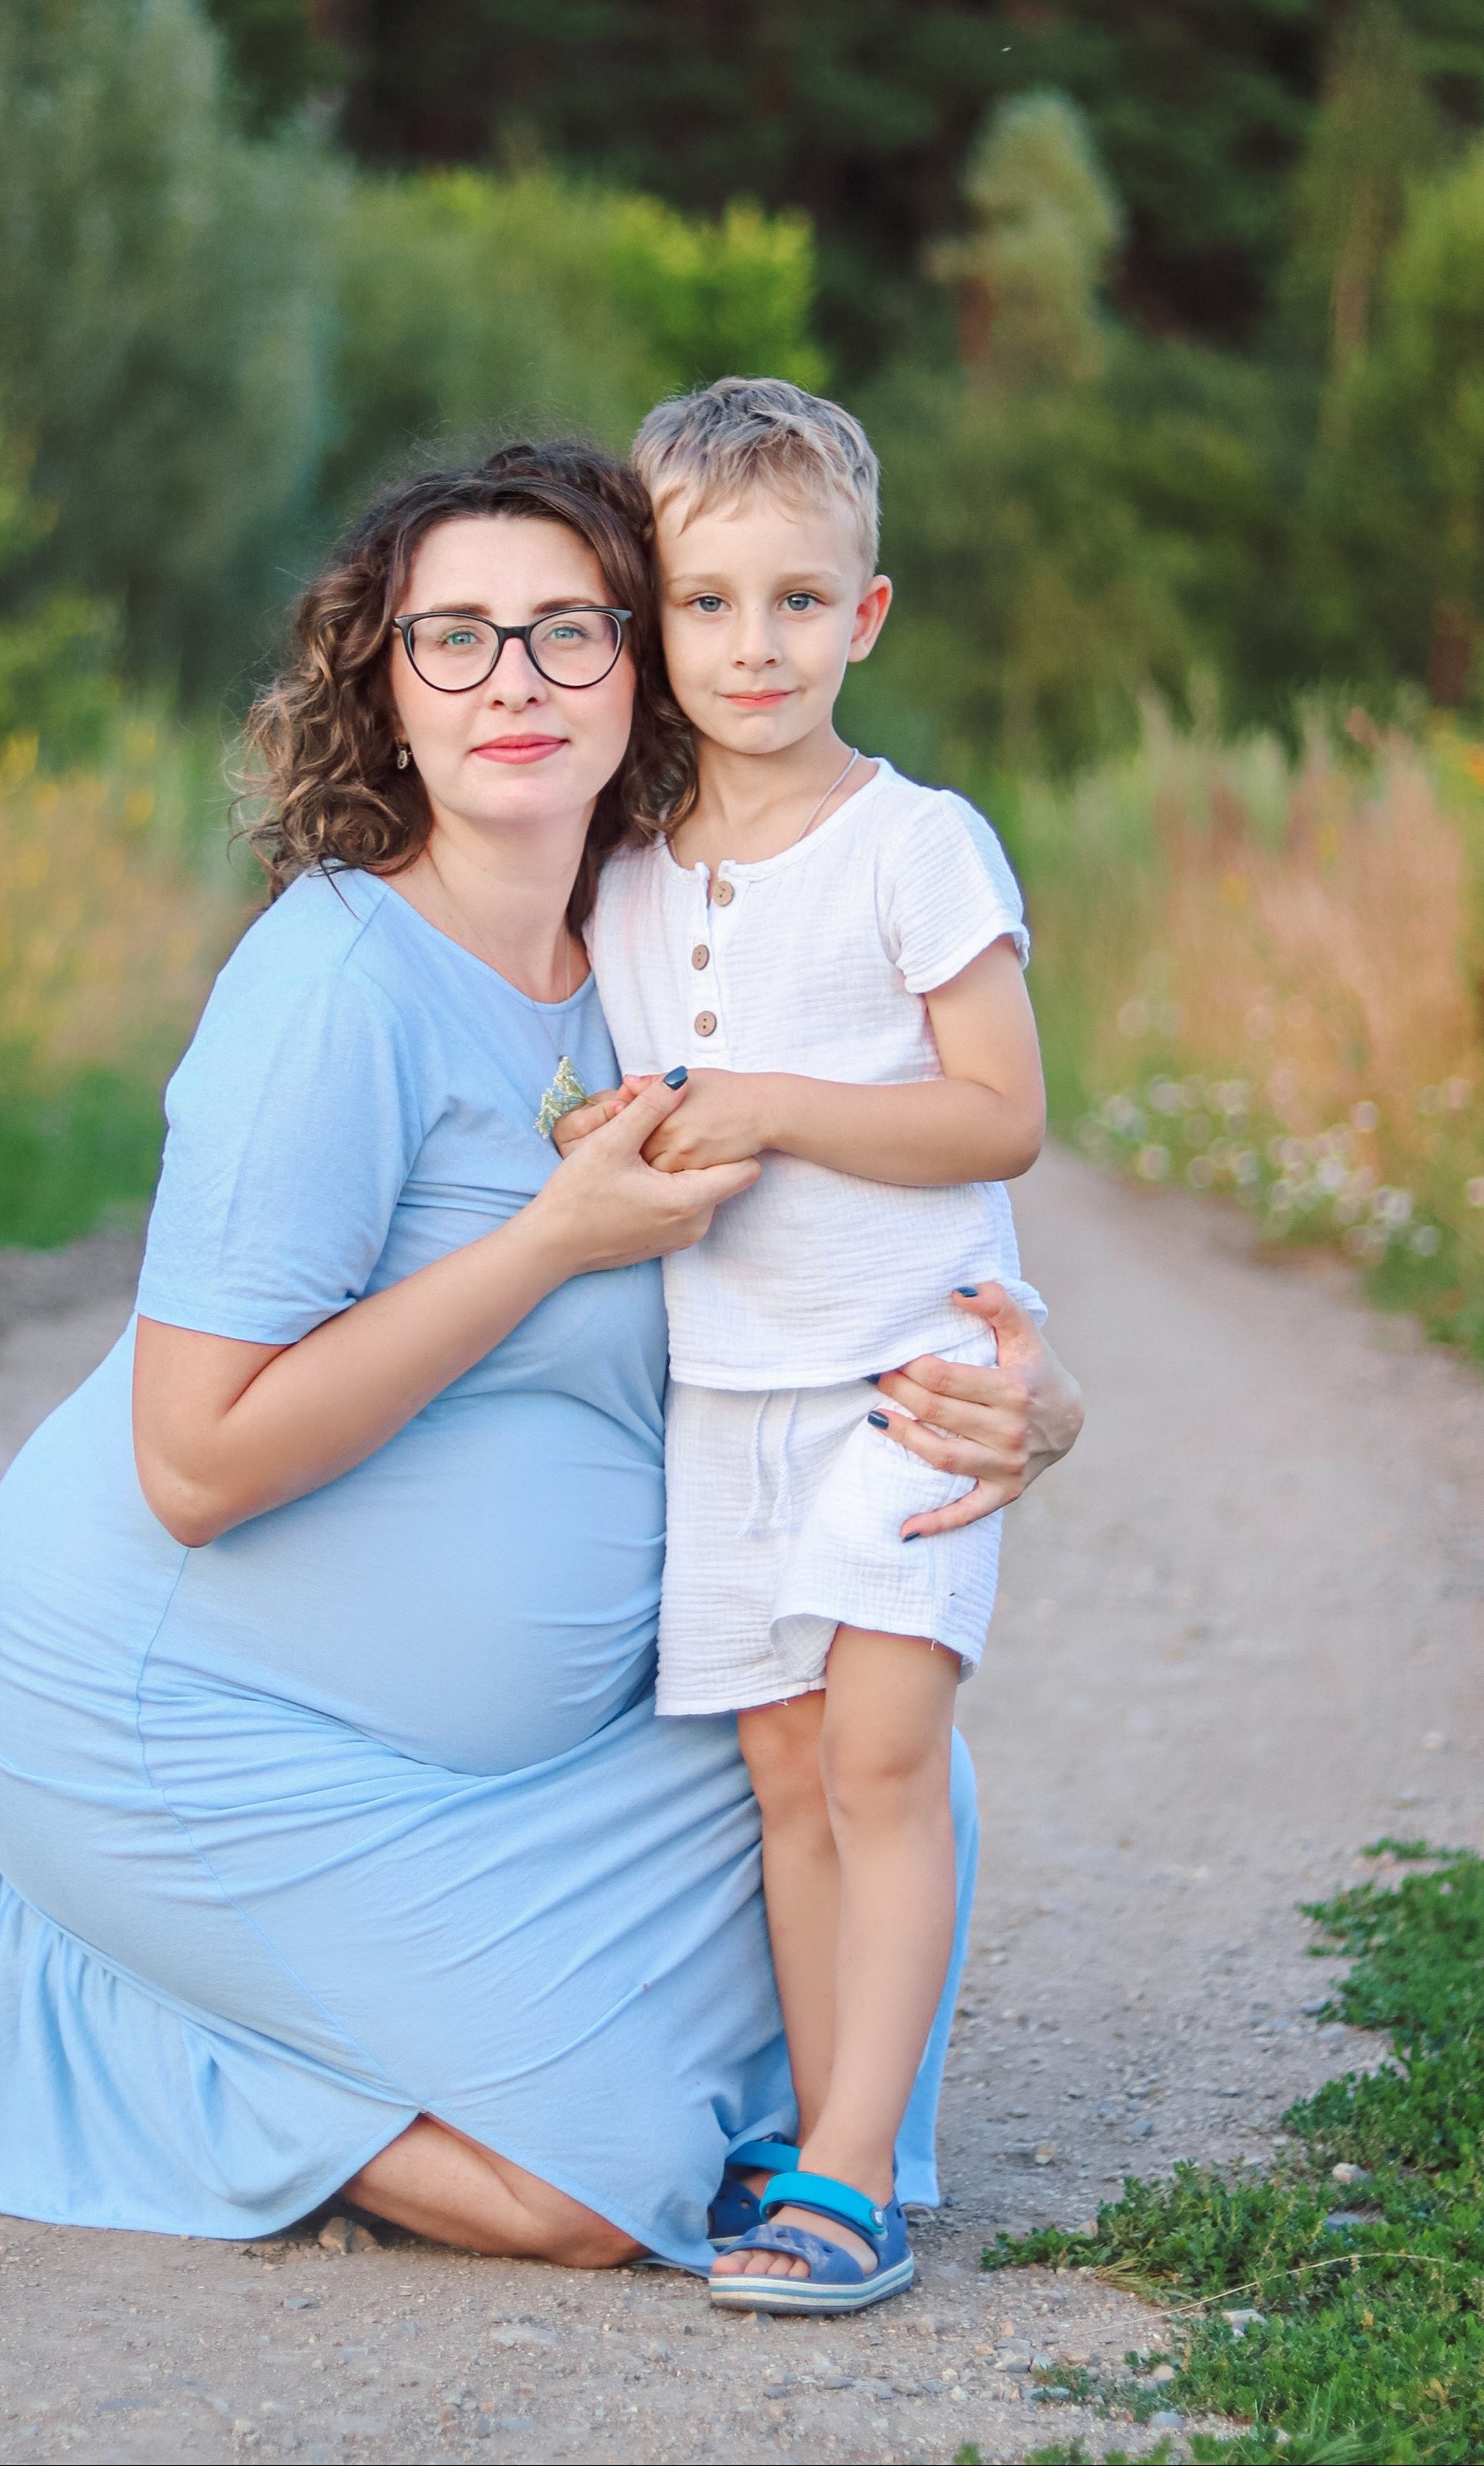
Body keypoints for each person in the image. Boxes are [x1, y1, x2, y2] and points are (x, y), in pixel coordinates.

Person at [0, 445, 1083, 2270]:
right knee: (595, 2194)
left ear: (642, 665)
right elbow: (192, 1465)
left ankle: (546, 2048)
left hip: (514, 1755)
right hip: (184, 1716)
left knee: (887, 1760)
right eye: (454, 637)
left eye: (565, 630)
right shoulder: (331, 988)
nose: (513, 680)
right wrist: (546, 1240)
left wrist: (1028, 1391)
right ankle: (2, 1963)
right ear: (387, 687)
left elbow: (867, 1231)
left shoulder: (659, 954)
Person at [570, 378, 1047, 2312]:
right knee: (781, 1766)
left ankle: (852, 2180)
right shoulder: (624, 870)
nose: (749, 645)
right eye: (705, 603)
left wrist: (764, 1102)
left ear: (866, 614)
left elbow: (997, 1114)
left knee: (877, 1753)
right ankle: (828, 2128)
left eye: (794, 601)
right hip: (727, 1392)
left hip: (904, 1379)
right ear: (650, 622)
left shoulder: (914, 843)